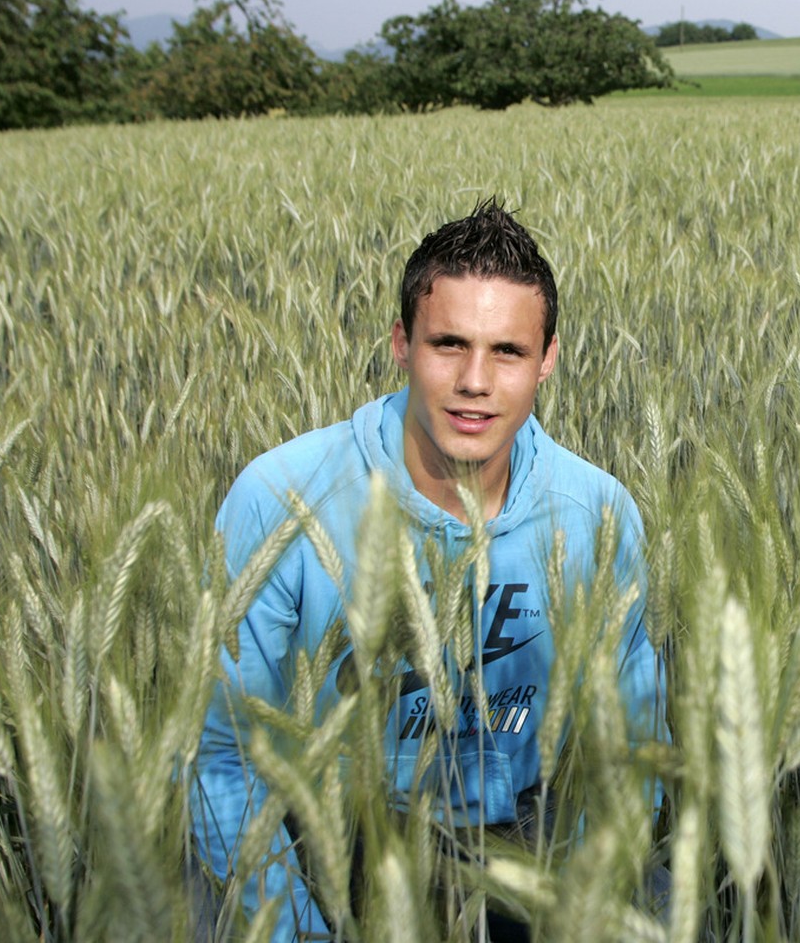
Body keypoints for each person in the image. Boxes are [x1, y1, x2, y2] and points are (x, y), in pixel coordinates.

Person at [191, 200, 664, 941]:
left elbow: (629, 745)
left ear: (549, 359)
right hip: (333, 838)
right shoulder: (281, 498)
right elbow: (222, 754)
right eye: (449, 343)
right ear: (401, 345)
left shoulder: (596, 513)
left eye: (507, 351)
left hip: (522, 835)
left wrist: (575, 902)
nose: (475, 380)